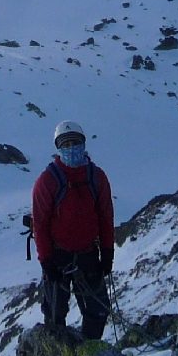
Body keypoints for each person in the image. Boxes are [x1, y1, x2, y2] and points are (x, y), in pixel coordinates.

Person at [31, 120, 115, 339]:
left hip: (88, 253)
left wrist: (107, 253)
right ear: (58, 148)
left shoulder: (97, 178)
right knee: (55, 313)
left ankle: (88, 349)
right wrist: (46, 260)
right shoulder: (47, 181)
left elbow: (106, 217)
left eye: (75, 143)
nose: (71, 148)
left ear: (83, 144)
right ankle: (60, 354)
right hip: (58, 256)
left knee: (97, 310)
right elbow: (39, 224)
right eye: (66, 144)